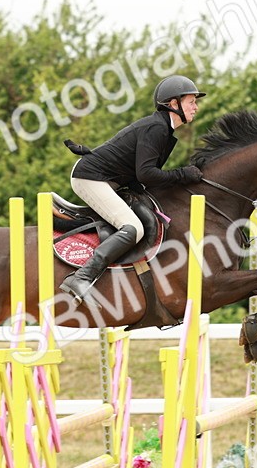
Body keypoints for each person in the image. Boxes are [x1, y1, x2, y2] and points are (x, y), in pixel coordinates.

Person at [59, 74, 207, 303]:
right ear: (174, 104)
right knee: (133, 227)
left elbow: (144, 178)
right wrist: (184, 174)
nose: (196, 107)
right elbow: (146, 173)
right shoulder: (156, 128)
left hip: (109, 178)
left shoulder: (164, 130)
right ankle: (81, 277)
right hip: (90, 178)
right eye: (191, 102)